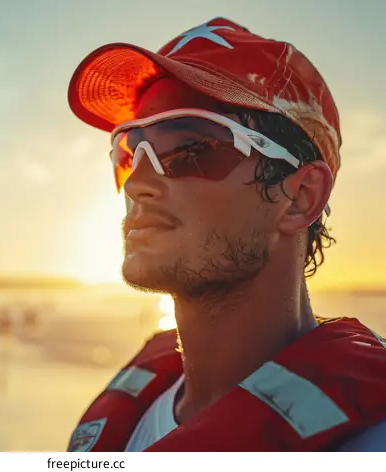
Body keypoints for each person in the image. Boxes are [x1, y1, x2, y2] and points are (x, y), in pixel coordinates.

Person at [65, 17, 386, 452]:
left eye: (189, 147)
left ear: (300, 197)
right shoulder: (125, 422)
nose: (137, 181)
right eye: (128, 149)